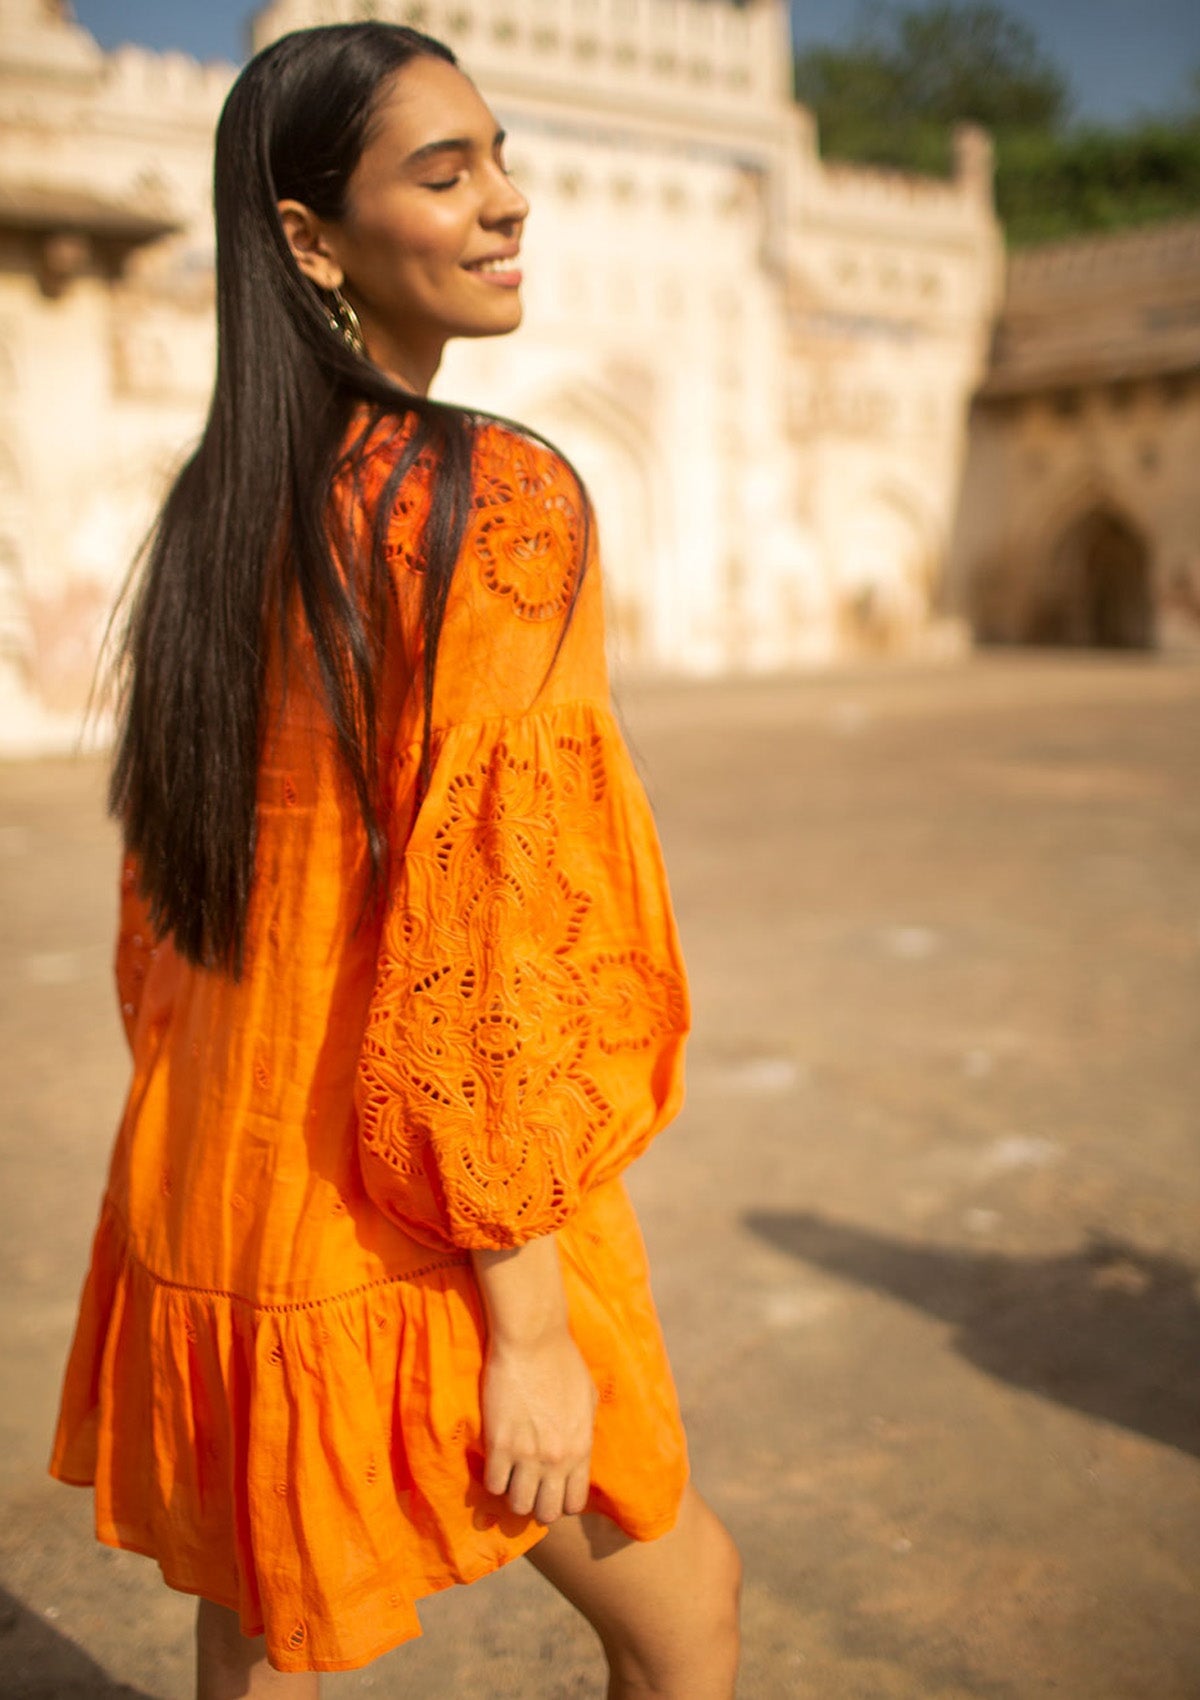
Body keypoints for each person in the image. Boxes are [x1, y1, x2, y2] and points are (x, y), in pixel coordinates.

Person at [49, 20, 742, 1700]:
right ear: (309, 238)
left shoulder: (225, 505)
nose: (508, 203)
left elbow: (162, 922)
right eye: (447, 172)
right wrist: (526, 1331)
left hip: (225, 1185)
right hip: (426, 1218)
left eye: (502, 157)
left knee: (272, 1636)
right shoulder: (490, 500)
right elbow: (492, 933)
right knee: (685, 1606)